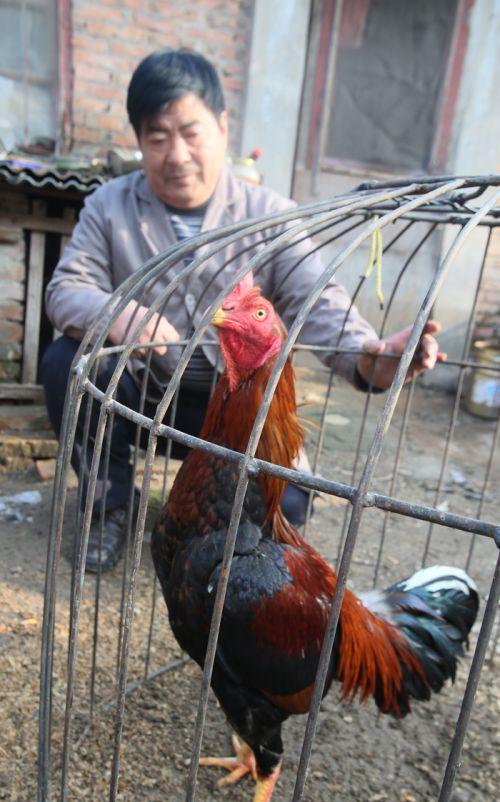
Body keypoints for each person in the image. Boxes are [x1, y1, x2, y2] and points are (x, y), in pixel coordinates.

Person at [41, 49, 444, 573]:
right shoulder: (108, 206)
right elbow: (67, 287)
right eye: (157, 138)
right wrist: (125, 316)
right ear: (138, 140)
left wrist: (371, 353)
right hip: (145, 392)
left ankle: (222, 540)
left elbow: (317, 299)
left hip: (233, 406)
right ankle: (109, 504)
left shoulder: (269, 215)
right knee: (66, 361)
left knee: (289, 505)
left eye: (191, 132)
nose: (177, 155)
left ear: (223, 127)